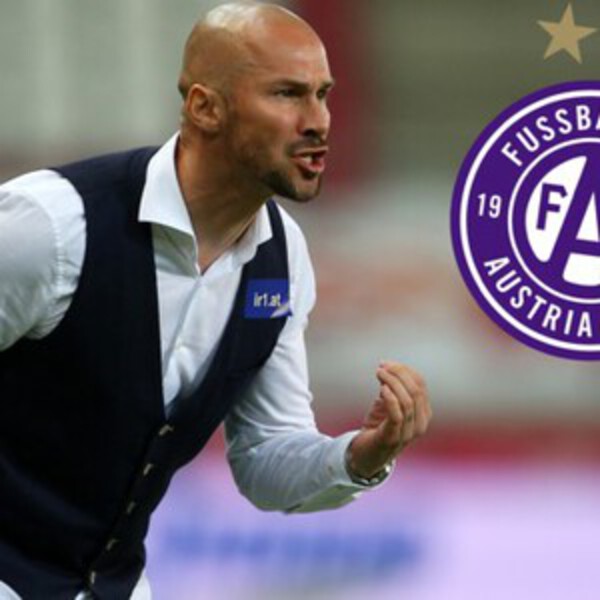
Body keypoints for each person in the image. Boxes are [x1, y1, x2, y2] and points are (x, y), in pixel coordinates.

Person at [0, 2, 432, 599]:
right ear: (205, 108)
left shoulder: (282, 258)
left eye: (323, 95)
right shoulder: (52, 225)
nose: (318, 121)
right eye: (286, 94)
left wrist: (359, 457)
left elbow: (263, 457)